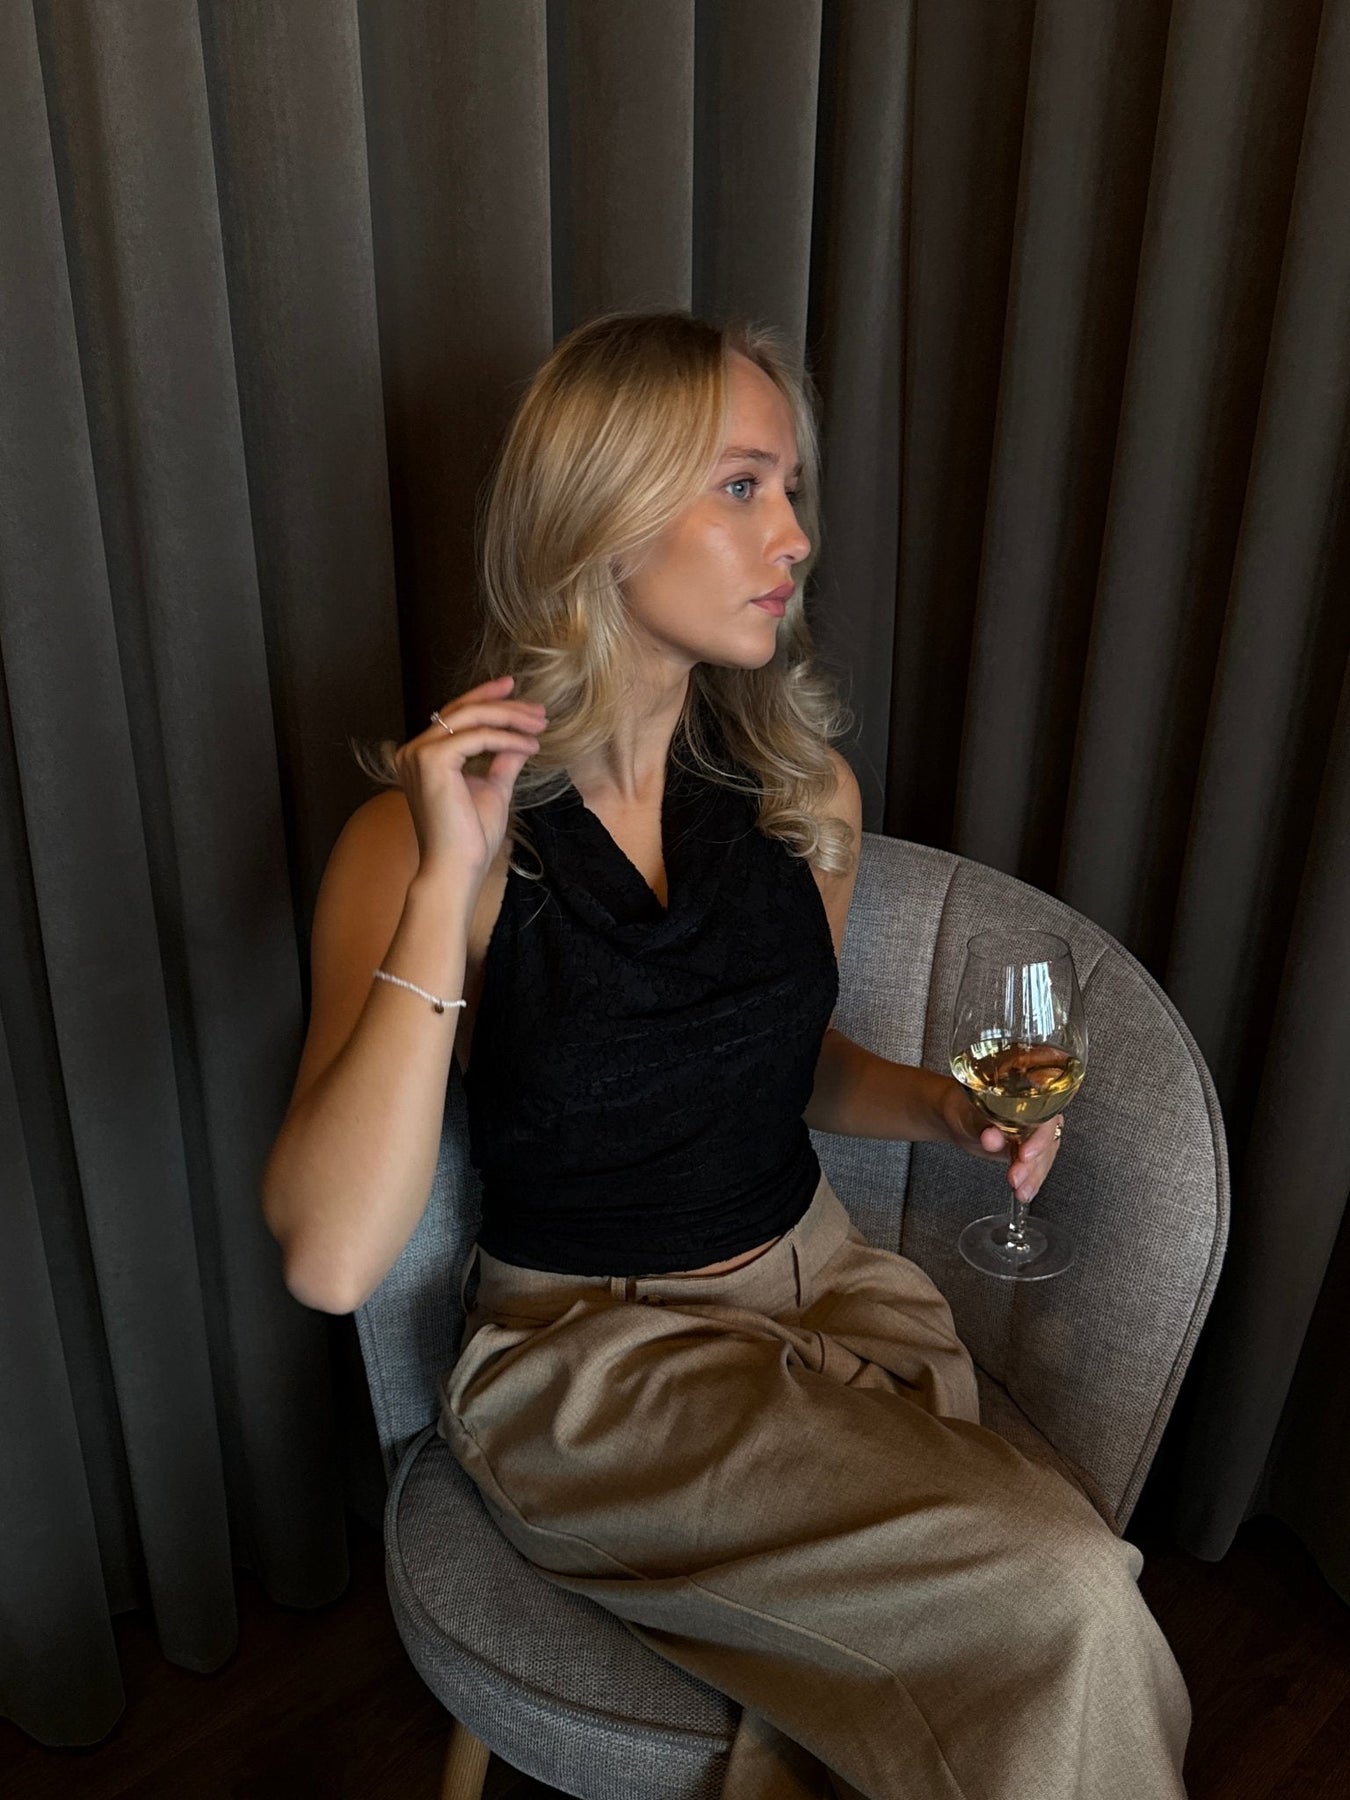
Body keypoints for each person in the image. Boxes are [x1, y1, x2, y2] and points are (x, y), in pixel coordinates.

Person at [261, 313, 1191, 1799]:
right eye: (744, 486)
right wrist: (444, 886)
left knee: (1029, 1614)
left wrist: (942, 1109)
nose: (797, 538)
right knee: (1068, 1594)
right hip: (595, 1367)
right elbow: (330, 1259)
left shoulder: (797, 791)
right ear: (603, 512)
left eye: (790, 489)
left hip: (828, 1296)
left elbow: (782, 1059)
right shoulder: (422, 839)